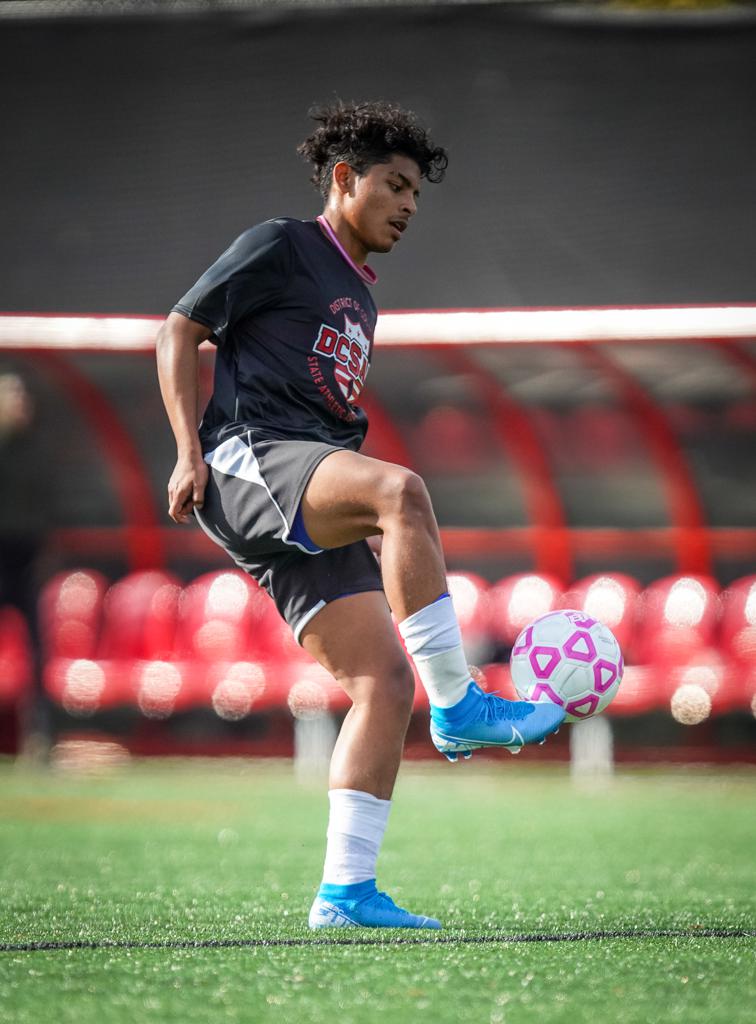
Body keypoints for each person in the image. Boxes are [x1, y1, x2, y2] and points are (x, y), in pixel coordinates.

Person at [156, 100, 564, 931]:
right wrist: (186, 451)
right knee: (400, 492)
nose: (410, 205)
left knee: (382, 682)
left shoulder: (360, 295)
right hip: (249, 459)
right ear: (345, 179)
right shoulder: (282, 243)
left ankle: (344, 894)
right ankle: (464, 705)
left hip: (297, 479)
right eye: (396, 185)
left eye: (418, 192)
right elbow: (179, 326)